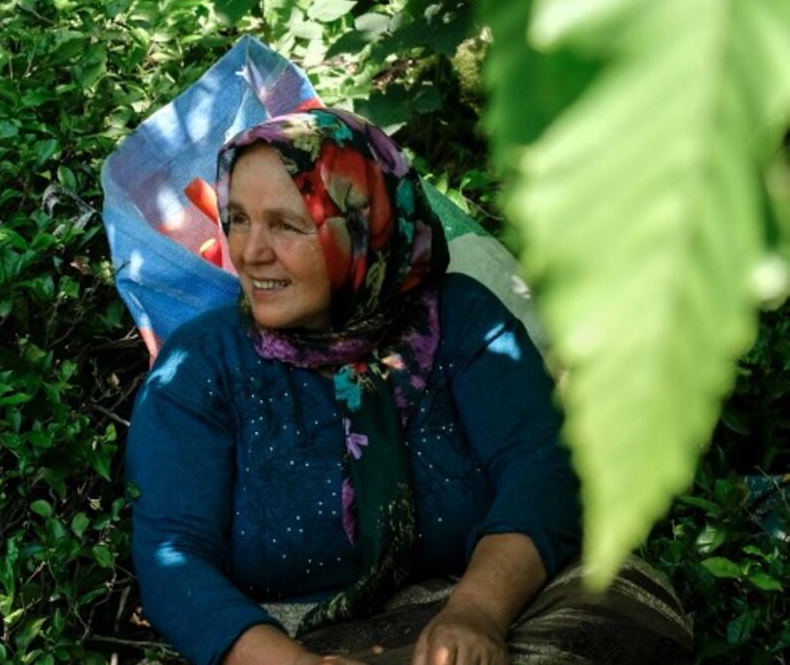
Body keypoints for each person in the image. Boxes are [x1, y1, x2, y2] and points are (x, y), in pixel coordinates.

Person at [124, 108, 692, 665]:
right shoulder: (201, 366)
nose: (249, 252)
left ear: (364, 224)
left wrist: (477, 612)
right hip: (290, 636)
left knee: (618, 603)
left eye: (288, 225)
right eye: (239, 218)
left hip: (497, 606)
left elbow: (541, 471)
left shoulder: (462, 321)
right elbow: (173, 552)